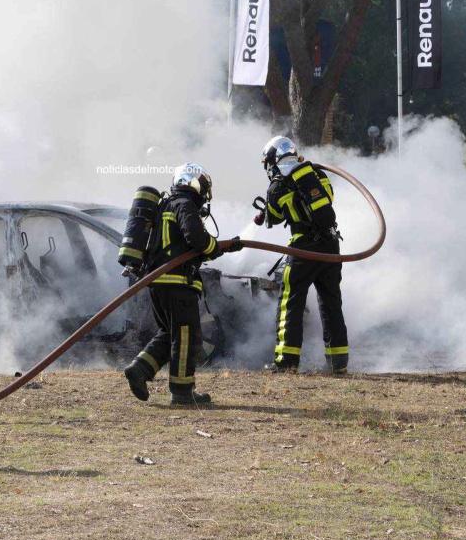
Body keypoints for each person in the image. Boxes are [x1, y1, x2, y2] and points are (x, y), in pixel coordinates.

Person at [123, 162, 242, 406]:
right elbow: (197, 239)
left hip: (159, 282)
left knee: (170, 334)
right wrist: (215, 246)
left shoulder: (167, 204)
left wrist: (224, 248)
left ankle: (139, 369)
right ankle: (182, 392)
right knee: (187, 336)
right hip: (177, 283)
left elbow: (189, 247)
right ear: (195, 184)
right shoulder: (184, 204)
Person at [253, 136, 348, 374]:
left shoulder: (277, 185)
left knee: (291, 302)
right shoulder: (316, 173)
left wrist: (269, 209)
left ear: (273, 160)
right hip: (330, 246)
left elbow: (275, 216)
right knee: (331, 302)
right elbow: (329, 198)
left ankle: (286, 362)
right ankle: (338, 363)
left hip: (302, 248)